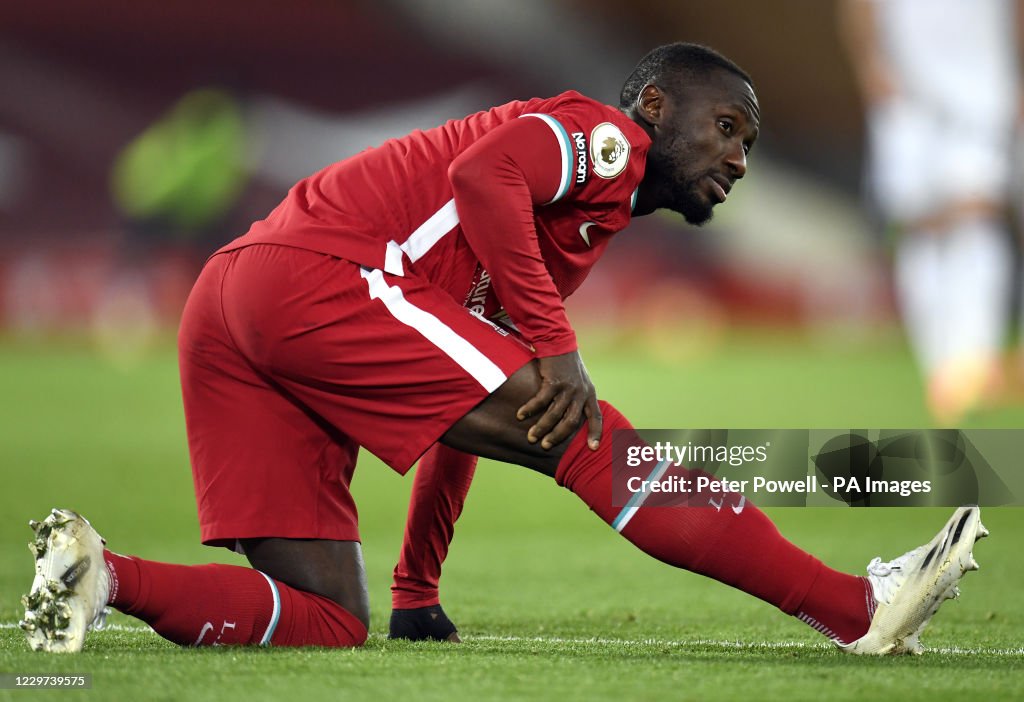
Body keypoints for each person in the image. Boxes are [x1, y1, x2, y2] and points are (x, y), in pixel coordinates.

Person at [21, 43, 987, 656]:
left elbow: (469, 412)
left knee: (321, 618)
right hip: (322, 277)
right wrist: (559, 349)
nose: (738, 158)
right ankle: (852, 608)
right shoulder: (602, 140)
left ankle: (98, 576)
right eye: (727, 129)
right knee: (590, 435)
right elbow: (483, 171)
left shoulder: (568, 233)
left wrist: (417, 586)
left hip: (236, 306)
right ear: (654, 108)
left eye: (748, 143)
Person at [839, 0, 1021, 424]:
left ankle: (975, 359)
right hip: (906, 92)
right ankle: (940, 361)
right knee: (920, 223)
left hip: (983, 85)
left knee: (979, 211)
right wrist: (869, 62)